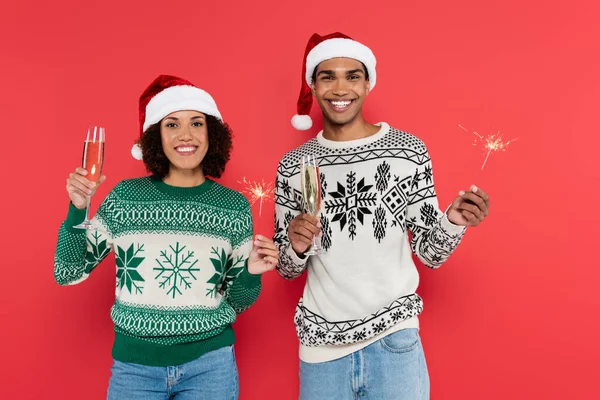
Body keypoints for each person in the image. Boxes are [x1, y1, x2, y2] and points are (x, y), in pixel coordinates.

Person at [274, 32, 490, 399]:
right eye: (327, 76)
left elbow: (429, 253)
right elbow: (285, 268)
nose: (340, 88)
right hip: (321, 348)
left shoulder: (407, 151)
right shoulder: (294, 165)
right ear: (312, 84)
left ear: (368, 82)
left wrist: (453, 220)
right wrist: (294, 246)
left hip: (395, 340)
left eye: (352, 76)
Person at [54, 74, 279, 400]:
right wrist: (78, 209)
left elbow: (237, 301)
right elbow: (68, 271)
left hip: (210, 367)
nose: (185, 134)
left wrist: (251, 274)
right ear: (155, 135)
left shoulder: (234, 207)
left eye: (196, 123)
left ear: (211, 133)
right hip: (135, 368)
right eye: (171, 124)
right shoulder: (125, 198)